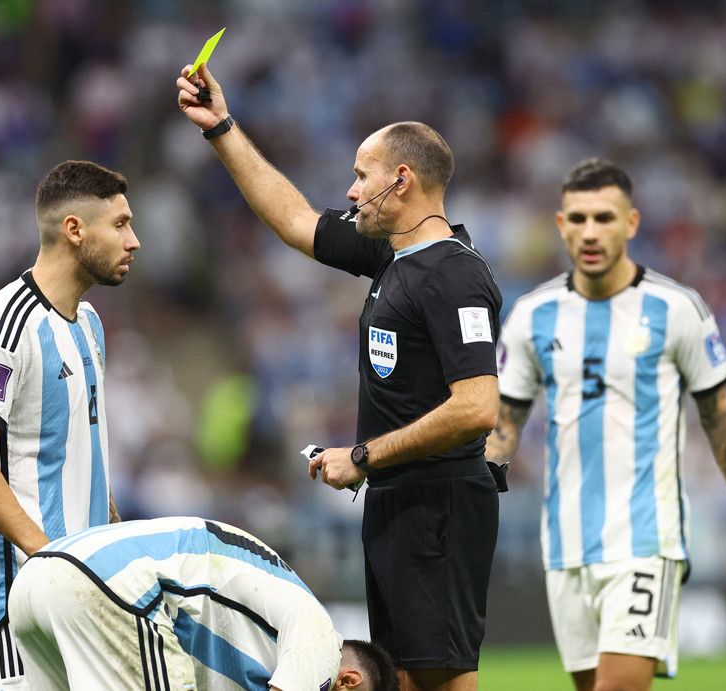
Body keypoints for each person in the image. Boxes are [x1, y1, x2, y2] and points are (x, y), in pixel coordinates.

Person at [176, 66, 502, 691]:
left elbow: (477, 407)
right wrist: (222, 128)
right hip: (400, 501)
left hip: (438, 504)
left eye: (362, 175)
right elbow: (296, 220)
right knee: (404, 679)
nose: (351, 192)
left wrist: (362, 455)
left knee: (441, 681)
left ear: (400, 180)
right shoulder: (395, 255)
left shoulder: (453, 275)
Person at [486, 158, 726, 690]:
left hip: (645, 537)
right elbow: (505, 425)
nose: (590, 231)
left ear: (632, 223)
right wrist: (475, 488)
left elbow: (719, 417)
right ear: (560, 225)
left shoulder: (676, 308)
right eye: (578, 218)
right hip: (565, 542)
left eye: (604, 217)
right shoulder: (530, 315)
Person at [0, 160, 141, 689]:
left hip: (77, 591)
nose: (135, 241)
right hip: (17, 605)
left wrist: (117, 560)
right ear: (74, 231)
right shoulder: (8, 325)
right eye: (121, 225)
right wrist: (49, 556)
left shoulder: (91, 324)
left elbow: (85, 458)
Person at [8, 516, 399, 691]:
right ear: (349, 681)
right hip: (117, 588)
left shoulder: (275, 624)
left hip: (38, 577)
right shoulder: (321, 638)